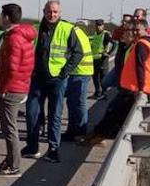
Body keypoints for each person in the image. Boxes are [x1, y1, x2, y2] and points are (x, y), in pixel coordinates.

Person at [23, 0, 81, 163]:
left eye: (55, 12)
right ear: (44, 11)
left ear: (59, 13)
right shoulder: (35, 28)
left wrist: (64, 72)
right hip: (37, 78)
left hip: (57, 79)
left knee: (55, 116)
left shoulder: (67, 28)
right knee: (32, 113)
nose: (52, 14)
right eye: (49, 11)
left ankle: (53, 149)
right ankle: (32, 147)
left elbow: (78, 53)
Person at [88, 14, 150, 145]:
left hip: (133, 89)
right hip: (131, 87)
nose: (135, 32)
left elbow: (140, 68)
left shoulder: (141, 44)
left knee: (114, 113)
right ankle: (98, 135)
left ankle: (99, 136)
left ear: (145, 29)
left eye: (137, 30)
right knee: (115, 113)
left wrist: (141, 89)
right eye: (134, 30)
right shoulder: (138, 44)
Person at [0, 3, 35, 176]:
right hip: (21, 85)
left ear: (7, 17)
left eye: (2, 16)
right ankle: (9, 160)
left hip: (12, 88)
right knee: (9, 127)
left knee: (9, 128)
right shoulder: (23, 36)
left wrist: (3, 88)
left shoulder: (13, 38)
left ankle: (14, 165)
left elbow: (11, 67)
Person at [62, 21, 94, 142]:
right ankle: (72, 132)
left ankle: (81, 132)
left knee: (78, 104)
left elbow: (74, 54)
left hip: (80, 72)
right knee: (73, 103)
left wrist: (65, 69)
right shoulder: (78, 31)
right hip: (80, 72)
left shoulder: (71, 32)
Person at [89, 19, 113, 98]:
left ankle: (104, 94)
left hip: (103, 59)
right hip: (95, 58)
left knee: (103, 77)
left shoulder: (105, 34)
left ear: (103, 25)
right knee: (95, 77)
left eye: (100, 25)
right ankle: (97, 93)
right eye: (97, 25)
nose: (98, 27)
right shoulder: (95, 34)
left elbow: (114, 43)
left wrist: (108, 53)